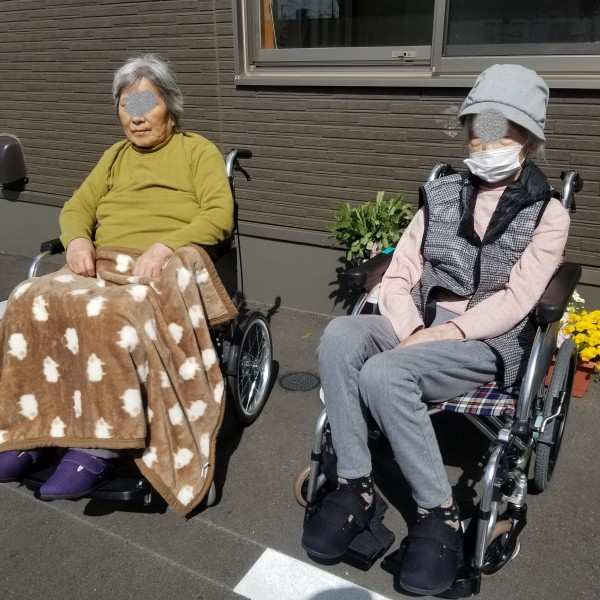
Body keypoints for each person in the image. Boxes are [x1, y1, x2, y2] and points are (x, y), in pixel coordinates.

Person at [301, 64, 570, 596]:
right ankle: (355, 485)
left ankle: (439, 513)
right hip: (420, 322)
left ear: (530, 140)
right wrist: (412, 330)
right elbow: (400, 272)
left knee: (384, 375)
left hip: (487, 339)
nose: (485, 143)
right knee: (340, 336)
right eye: (478, 129)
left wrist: (445, 334)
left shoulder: (549, 214)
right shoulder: (442, 193)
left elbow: (518, 299)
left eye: (502, 131)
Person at [0, 53, 236, 516]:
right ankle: (32, 430)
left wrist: (166, 247)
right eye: (127, 105)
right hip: (103, 262)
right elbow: (77, 206)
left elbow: (218, 215)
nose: (136, 116)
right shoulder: (114, 157)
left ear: (171, 106)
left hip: (157, 267)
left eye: (147, 103)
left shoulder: (197, 152)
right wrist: (76, 240)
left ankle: (100, 447)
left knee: (109, 318)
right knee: (26, 298)